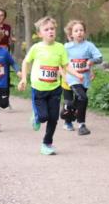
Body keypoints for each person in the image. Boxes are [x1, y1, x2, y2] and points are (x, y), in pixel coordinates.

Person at [17, 16, 80, 155]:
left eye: (52, 29)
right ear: (40, 34)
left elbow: (66, 65)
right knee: (44, 117)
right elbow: (26, 62)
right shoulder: (36, 48)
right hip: (38, 89)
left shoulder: (60, 48)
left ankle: (47, 143)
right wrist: (24, 79)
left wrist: (76, 74)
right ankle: (37, 116)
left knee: (53, 118)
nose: (50, 31)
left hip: (55, 89)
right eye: (46, 29)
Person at [61, 19, 103, 135]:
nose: (79, 32)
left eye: (81, 30)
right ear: (71, 34)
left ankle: (67, 111)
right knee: (82, 98)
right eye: (76, 31)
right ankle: (81, 125)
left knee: (77, 101)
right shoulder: (66, 47)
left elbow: (100, 58)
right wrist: (63, 75)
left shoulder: (89, 46)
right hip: (72, 79)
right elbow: (60, 62)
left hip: (84, 79)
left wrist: (91, 62)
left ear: (84, 32)